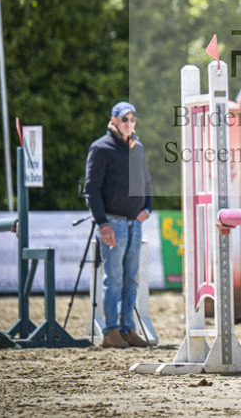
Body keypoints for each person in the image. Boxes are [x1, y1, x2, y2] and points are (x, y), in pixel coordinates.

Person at [84, 101, 154, 348]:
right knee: (113, 278)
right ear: (113, 120)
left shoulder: (137, 148)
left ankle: (127, 329)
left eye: (132, 119)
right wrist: (103, 223)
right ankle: (110, 331)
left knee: (131, 279)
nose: (129, 123)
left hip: (135, 222)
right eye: (124, 119)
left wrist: (147, 207)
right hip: (112, 222)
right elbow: (91, 188)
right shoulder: (100, 148)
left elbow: (146, 181)